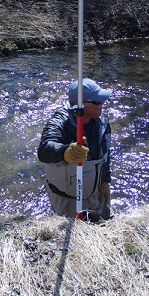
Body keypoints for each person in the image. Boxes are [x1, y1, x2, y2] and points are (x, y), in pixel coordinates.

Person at [38, 78, 112, 221]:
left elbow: (106, 154)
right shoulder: (60, 122)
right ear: (81, 105)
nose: (102, 104)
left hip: (95, 194)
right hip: (68, 200)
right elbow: (44, 150)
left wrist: (105, 182)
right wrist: (65, 153)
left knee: (104, 228)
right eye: (97, 102)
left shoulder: (102, 122)